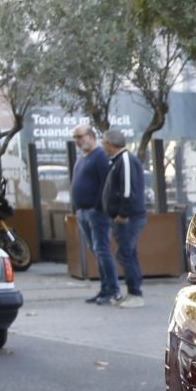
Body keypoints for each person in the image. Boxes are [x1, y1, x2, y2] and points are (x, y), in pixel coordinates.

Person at [71, 125, 118, 305]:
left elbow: (106, 184)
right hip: (83, 211)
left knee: (102, 250)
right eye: (75, 138)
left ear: (91, 136)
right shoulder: (82, 159)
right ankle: (104, 288)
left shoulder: (99, 156)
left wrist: (99, 206)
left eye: (80, 136)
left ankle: (112, 290)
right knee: (97, 251)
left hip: (96, 212)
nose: (77, 141)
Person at [100, 130, 148, 308]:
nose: (103, 146)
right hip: (125, 217)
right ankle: (132, 292)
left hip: (129, 218)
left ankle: (135, 293)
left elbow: (128, 191)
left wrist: (123, 214)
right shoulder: (118, 161)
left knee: (125, 253)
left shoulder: (125, 160)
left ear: (110, 144)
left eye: (104, 143)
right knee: (128, 253)